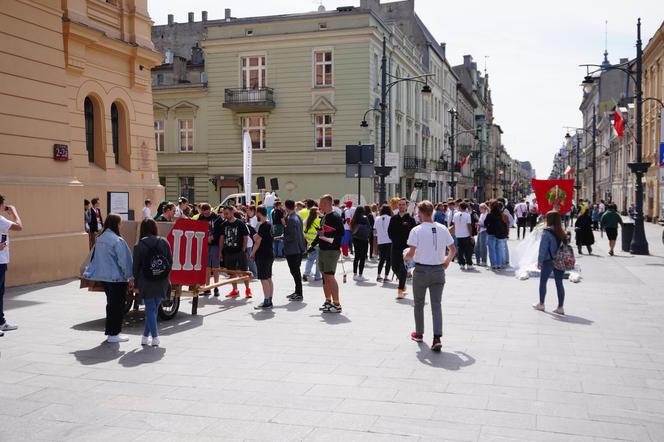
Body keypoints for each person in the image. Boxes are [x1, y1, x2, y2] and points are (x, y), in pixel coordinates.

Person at [404, 201, 455, 352]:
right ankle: (437, 337)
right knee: (436, 305)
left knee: (419, 304)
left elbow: (411, 254)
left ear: (420, 213)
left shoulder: (416, 230)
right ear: (431, 212)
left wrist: (405, 256)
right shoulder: (442, 228)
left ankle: (419, 333)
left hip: (421, 271)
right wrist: (446, 262)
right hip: (438, 270)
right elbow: (452, 249)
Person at [83, 213, 133, 343]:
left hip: (104, 277)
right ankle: (114, 333)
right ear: (116, 224)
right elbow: (124, 261)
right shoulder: (117, 240)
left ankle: (112, 332)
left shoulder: (100, 238)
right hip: (117, 278)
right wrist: (130, 277)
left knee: (111, 305)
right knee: (117, 306)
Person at [132, 218, 172, 347]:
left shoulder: (139, 245)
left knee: (151, 308)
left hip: (146, 280)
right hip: (162, 280)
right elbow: (170, 262)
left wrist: (136, 281)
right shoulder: (164, 241)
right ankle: (149, 337)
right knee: (153, 308)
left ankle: (150, 337)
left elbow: (135, 266)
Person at [533, 211, 566, 315]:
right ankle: (560, 307)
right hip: (560, 260)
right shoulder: (562, 232)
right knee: (559, 283)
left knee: (543, 282)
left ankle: (541, 304)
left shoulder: (546, 232)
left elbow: (543, 248)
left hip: (548, 260)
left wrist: (540, 261)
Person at [317, 195, 345, 313]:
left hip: (331, 250)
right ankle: (328, 301)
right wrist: (312, 245)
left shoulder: (335, 217)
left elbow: (341, 232)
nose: (319, 205)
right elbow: (321, 233)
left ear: (327, 203)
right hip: (323, 249)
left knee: (329, 276)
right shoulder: (325, 217)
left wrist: (325, 234)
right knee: (325, 276)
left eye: (321, 203)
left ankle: (337, 304)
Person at [0, 195, 23, 336]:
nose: (4, 207)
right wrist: (14, 213)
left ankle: (1, 322)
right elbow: (19, 227)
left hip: (2, 260)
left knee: (0, 293)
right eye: (3, 205)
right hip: (0, 262)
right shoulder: (1, 220)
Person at [220, 206, 252, 298]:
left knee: (244, 271)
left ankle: (247, 290)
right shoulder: (224, 224)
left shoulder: (240, 223)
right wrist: (220, 252)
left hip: (239, 252)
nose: (225, 215)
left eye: (227, 213)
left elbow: (245, 237)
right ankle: (235, 290)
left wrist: (243, 249)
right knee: (231, 272)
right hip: (228, 252)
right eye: (224, 213)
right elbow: (222, 239)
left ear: (232, 212)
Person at [388, 198, 417, 299]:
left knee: (403, 268)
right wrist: (394, 239)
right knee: (394, 267)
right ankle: (402, 282)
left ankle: (400, 290)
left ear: (406, 206)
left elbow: (414, 233)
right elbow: (390, 232)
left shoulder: (410, 219)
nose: (401, 206)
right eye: (399, 205)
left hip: (406, 248)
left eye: (403, 205)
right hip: (395, 246)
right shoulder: (393, 218)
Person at [250, 206, 275, 308]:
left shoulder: (263, 226)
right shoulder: (270, 224)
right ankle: (269, 299)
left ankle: (267, 301)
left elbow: (257, 241)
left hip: (263, 255)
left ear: (258, 213)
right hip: (269, 253)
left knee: (264, 279)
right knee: (268, 278)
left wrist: (252, 253)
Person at [282, 200, 306, 301]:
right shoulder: (297, 216)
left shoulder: (292, 219)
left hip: (293, 249)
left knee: (295, 272)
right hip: (298, 247)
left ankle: (299, 293)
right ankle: (297, 291)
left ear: (287, 207)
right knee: (296, 271)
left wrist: (283, 237)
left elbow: (292, 236)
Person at [197, 203, 223, 296]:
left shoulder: (217, 218)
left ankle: (216, 287)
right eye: (204, 213)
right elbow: (198, 229)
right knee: (206, 267)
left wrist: (213, 237)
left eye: (207, 213)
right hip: (205, 245)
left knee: (215, 267)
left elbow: (221, 233)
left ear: (210, 210)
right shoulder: (201, 217)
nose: (206, 215)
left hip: (215, 245)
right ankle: (207, 288)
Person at [484, 201, 509, 270]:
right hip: (499, 233)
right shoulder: (501, 214)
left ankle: (494, 265)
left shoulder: (490, 215)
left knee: (492, 250)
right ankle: (499, 264)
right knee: (499, 249)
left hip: (491, 233)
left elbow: (485, 223)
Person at [350, 206, 371, 281]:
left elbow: (351, 228)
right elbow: (369, 228)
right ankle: (360, 275)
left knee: (356, 257)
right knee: (362, 257)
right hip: (363, 239)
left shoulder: (354, 218)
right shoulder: (365, 218)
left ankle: (354, 274)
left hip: (355, 239)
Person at [302, 207, 322, 282]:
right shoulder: (319, 221)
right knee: (318, 261)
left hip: (310, 244)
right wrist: (321, 215)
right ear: (317, 213)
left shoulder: (306, 221)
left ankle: (306, 273)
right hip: (318, 244)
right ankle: (317, 276)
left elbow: (304, 233)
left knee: (310, 259)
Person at [452, 202, 473, 269]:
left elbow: (454, 225)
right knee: (468, 250)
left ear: (460, 207)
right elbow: (469, 225)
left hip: (458, 234)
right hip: (466, 234)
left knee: (460, 249)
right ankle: (469, 264)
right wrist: (471, 234)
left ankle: (461, 263)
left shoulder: (455, 215)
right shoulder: (467, 215)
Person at [374, 204, 392, 283]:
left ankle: (378, 275)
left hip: (380, 241)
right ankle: (386, 276)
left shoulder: (377, 218)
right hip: (389, 241)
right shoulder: (391, 219)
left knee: (381, 259)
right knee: (388, 259)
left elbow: (375, 231)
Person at [244, 206, 258, 279]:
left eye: (249, 210)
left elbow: (253, 230)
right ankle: (253, 273)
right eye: (247, 210)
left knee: (251, 258)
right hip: (249, 242)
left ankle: (255, 273)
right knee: (249, 258)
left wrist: (248, 225)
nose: (247, 212)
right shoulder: (251, 218)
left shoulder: (254, 219)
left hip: (251, 242)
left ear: (253, 210)